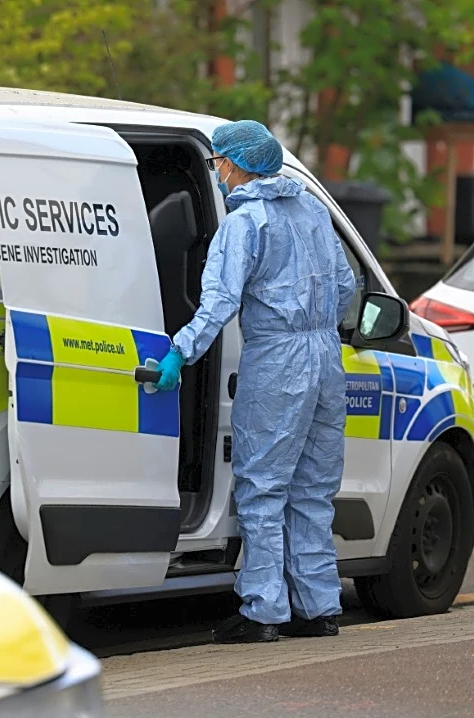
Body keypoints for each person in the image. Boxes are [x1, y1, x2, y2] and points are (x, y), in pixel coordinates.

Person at [154, 120, 356, 644]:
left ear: (236, 164)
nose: (217, 171)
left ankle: (264, 610)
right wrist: (316, 326)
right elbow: (346, 283)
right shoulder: (312, 210)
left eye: (218, 161)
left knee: (263, 488)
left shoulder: (245, 226)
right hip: (325, 355)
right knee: (312, 491)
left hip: (279, 360)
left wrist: (180, 350)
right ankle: (318, 609)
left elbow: (219, 301)